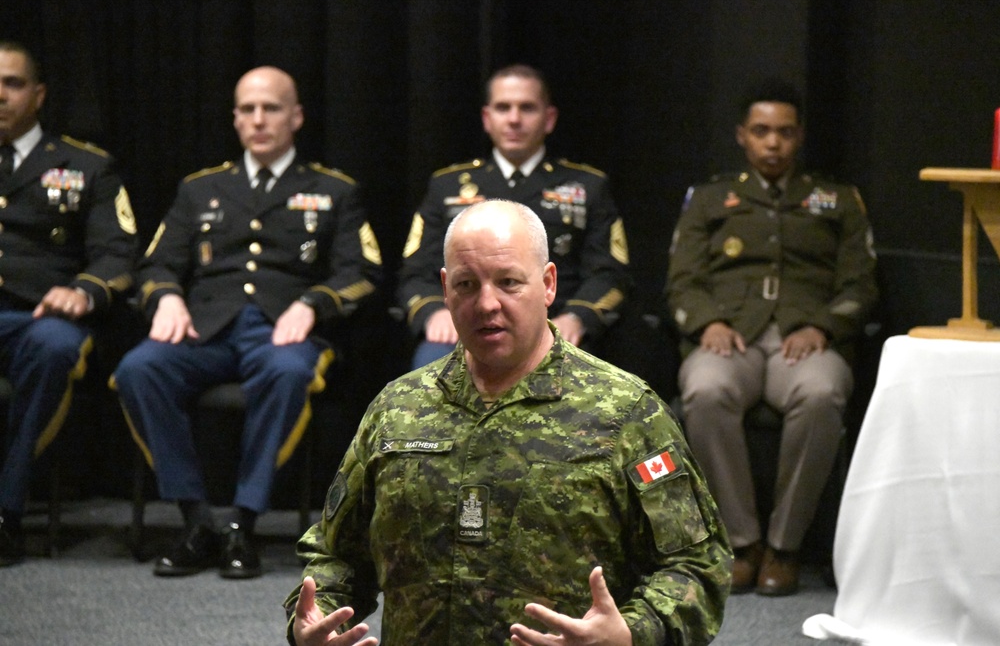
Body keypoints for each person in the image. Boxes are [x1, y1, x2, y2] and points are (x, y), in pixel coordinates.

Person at [285, 200, 731, 645]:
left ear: (548, 283)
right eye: (466, 284)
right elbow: (334, 555)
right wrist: (315, 620)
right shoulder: (396, 409)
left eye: (509, 282)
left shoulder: (626, 412)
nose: (486, 304)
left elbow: (697, 563)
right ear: (445, 288)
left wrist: (633, 633)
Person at [112, 66, 382, 579]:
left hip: (285, 330)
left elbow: (363, 271)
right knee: (139, 368)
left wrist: (313, 304)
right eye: (248, 109)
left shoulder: (333, 190)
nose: (259, 119)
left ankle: (243, 523)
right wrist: (166, 298)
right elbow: (157, 264)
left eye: (272, 108)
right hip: (206, 331)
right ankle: (196, 520)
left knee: (287, 373)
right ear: (235, 119)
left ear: (296, 116)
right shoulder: (200, 189)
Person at [665, 79, 877, 596]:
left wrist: (824, 324)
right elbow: (683, 278)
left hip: (806, 338)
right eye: (761, 132)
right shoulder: (710, 198)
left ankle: (785, 546)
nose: (773, 143)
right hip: (727, 334)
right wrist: (706, 322)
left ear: (799, 136)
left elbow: (861, 282)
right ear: (743, 136)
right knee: (705, 391)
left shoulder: (838, 200)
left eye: (784, 132)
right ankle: (742, 544)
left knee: (823, 393)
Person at [0, 41, 138, 567]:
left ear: (38, 95)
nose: (0, 95)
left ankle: (6, 513)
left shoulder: (86, 166)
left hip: (41, 319)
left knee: (54, 347)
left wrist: (82, 290)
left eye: (12, 83)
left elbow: (119, 253)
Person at [397, 64, 632, 370]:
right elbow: (415, 272)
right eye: (503, 107)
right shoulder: (447, 187)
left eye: (527, 108)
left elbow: (610, 274)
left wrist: (578, 317)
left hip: (556, 328)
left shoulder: (587, 187)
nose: (514, 119)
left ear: (549, 119)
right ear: (487, 118)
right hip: (467, 327)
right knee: (428, 373)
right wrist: (433, 312)